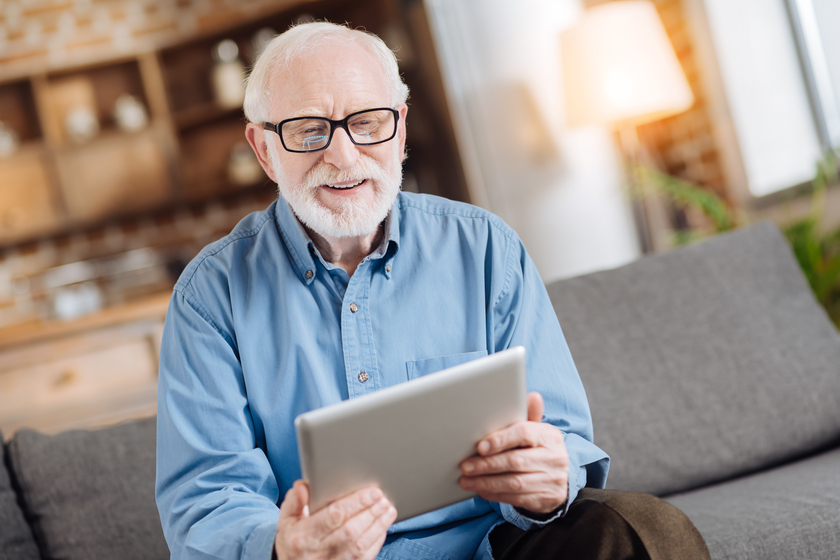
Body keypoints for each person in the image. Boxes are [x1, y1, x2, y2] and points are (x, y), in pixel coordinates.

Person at [155, 21, 710, 560]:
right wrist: (281, 546)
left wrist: (549, 477)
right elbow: (206, 502)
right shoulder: (210, 297)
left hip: (497, 547)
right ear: (263, 150)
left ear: (398, 128)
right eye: (309, 131)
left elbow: (563, 438)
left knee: (642, 528)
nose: (343, 157)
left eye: (368, 123)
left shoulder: (487, 248)